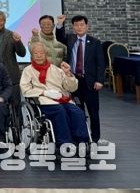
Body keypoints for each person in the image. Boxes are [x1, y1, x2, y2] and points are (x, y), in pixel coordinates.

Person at [20, 42, 90, 146]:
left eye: (41, 53)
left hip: (62, 99)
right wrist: (44, 92)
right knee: (60, 111)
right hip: (44, 102)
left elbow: (72, 88)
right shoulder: (28, 70)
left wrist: (68, 74)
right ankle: (64, 142)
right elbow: (25, 89)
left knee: (77, 112)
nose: (39, 56)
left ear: (46, 54)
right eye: (36, 53)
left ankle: (82, 141)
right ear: (32, 55)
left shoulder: (56, 69)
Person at [55, 14, 105, 143]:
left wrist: (99, 80)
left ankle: (96, 137)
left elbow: (100, 63)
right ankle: (82, 137)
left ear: (87, 26)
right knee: (78, 110)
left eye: (82, 25)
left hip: (90, 82)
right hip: (74, 81)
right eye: (76, 25)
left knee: (93, 112)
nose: (79, 27)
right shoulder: (70, 39)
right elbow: (59, 37)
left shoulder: (95, 42)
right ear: (73, 27)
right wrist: (59, 24)